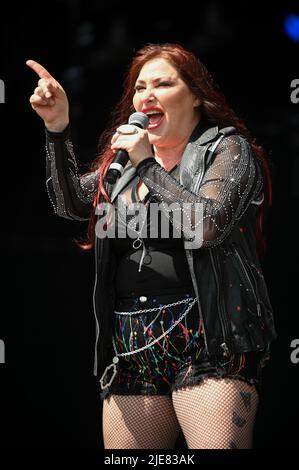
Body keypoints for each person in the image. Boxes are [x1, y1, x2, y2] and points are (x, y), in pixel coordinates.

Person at [26, 43, 277, 449]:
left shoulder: (227, 150)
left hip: (208, 339)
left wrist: (148, 164)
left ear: (195, 95)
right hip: (132, 341)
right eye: (140, 87)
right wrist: (57, 129)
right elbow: (70, 203)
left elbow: (206, 225)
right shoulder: (122, 163)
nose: (147, 95)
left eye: (162, 83)